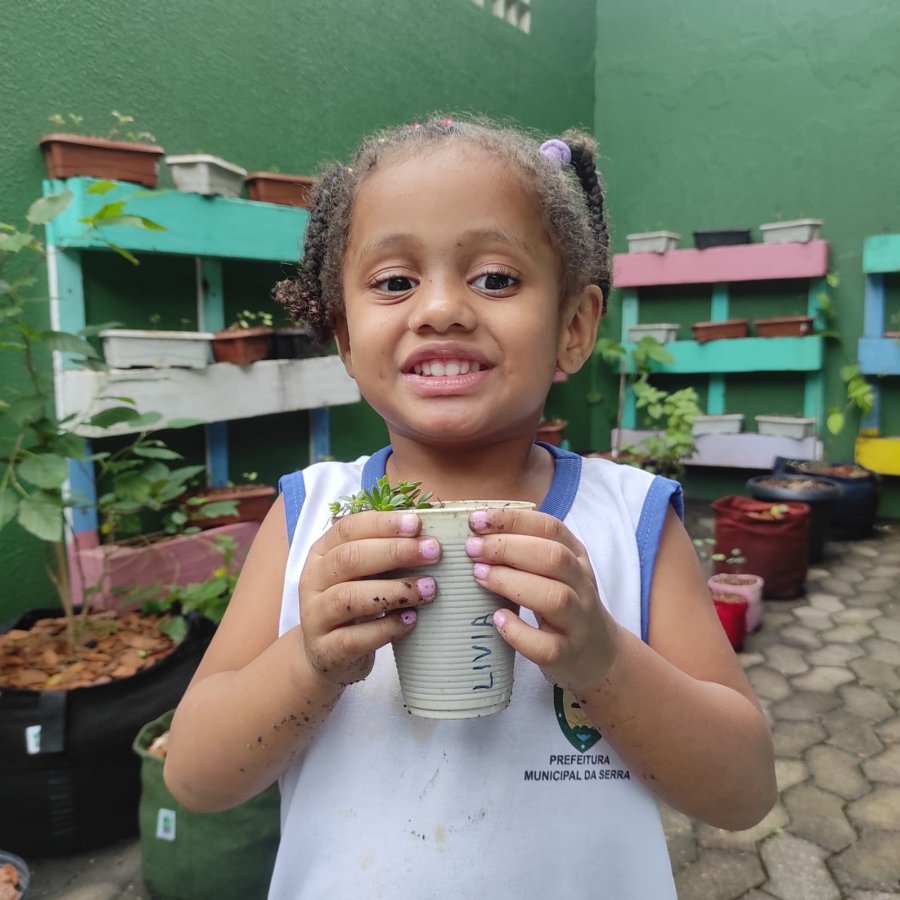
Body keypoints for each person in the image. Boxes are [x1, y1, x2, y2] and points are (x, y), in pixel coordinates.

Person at [164, 116, 776, 898]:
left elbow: (743, 792)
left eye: (494, 278)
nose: (442, 309)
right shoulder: (309, 517)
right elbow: (196, 778)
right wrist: (309, 663)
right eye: (395, 282)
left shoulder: (631, 523)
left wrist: (605, 662)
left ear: (574, 326)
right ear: (345, 336)